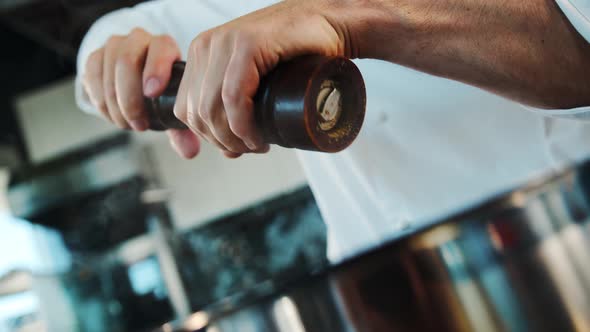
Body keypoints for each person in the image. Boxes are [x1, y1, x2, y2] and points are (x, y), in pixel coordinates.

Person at [76, 0, 590, 262]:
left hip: (559, 252)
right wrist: (121, 54)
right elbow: (106, 42)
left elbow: (577, 48)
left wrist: (344, 18)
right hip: (388, 294)